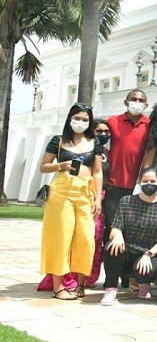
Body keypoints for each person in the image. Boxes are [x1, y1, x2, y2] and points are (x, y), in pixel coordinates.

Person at [39, 103, 103, 300]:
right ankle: (58, 286)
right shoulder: (58, 141)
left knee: (86, 238)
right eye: (77, 118)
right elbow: (44, 166)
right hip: (62, 191)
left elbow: (97, 171)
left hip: (85, 191)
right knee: (61, 238)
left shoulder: (94, 142)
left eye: (85, 119)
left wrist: (98, 199)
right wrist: (61, 164)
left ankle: (81, 284)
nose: (81, 122)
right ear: (70, 119)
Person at [101, 167, 157, 304]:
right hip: (126, 250)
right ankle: (111, 288)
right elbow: (115, 227)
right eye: (145, 181)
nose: (149, 184)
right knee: (111, 248)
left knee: (149, 269)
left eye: (153, 181)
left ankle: (144, 284)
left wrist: (148, 254)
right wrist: (118, 236)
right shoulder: (126, 201)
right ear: (139, 182)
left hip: (147, 254)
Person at [105, 89, 150, 242]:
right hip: (113, 185)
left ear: (146, 105)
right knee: (111, 229)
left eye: (141, 100)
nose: (137, 103)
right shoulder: (112, 122)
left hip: (137, 188)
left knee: (132, 231)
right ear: (126, 102)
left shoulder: (150, 125)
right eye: (134, 99)